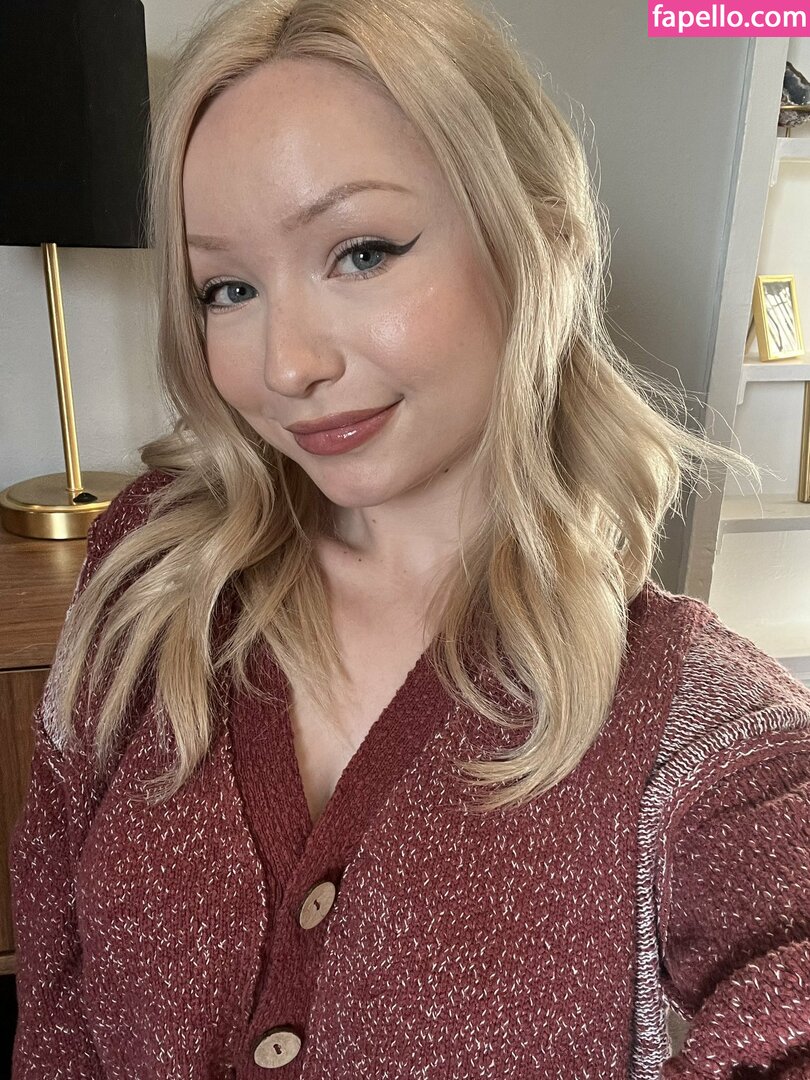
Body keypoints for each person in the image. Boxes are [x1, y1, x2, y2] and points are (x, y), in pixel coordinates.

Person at [9, 0, 810, 1076]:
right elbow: (56, 994)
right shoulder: (155, 570)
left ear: (539, 240)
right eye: (228, 288)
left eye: (361, 252)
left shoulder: (695, 726)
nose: (287, 364)